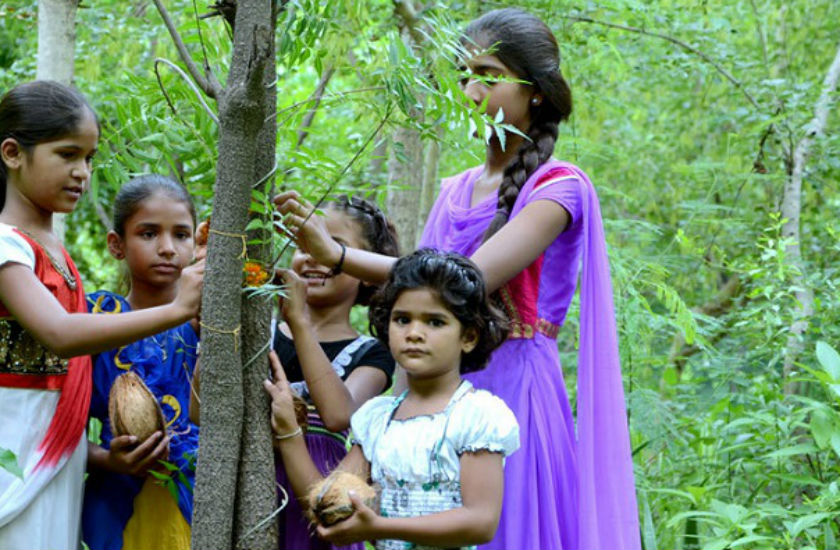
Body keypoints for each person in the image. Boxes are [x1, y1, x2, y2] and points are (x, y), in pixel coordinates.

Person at [273, 8, 640, 549]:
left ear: (535, 91)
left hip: (517, 391)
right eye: (464, 75)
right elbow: (422, 296)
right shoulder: (454, 190)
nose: (470, 90)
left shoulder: (561, 187)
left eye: (489, 76)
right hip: (431, 391)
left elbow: (460, 281)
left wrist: (337, 254)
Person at [0, 81, 203, 550]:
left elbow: (60, 387)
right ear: (14, 153)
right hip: (1, 464)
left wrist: (104, 458)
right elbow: (60, 334)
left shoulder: (55, 252)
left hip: (56, 464)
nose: (83, 172)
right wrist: (180, 309)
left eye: (89, 158)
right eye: (67, 155)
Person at [265, 250, 519, 550]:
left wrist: (381, 526)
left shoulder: (477, 415)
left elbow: (480, 522)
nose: (414, 333)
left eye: (435, 322)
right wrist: (289, 432)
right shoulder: (377, 420)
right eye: (402, 319)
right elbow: (327, 505)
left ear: (469, 337)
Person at [189, 196, 400, 550]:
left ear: (366, 273)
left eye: (334, 247)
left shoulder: (372, 352)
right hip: (244, 487)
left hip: (314, 494)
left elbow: (337, 414)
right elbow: (201, 410)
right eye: (304, 244)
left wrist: (299, 322)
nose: (314, 255)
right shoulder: (261, 331)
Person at [81, 175, 201, 550]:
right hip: (116, 498)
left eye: (181, 235)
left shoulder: (213, 323)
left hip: (199, 497)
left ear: (198, 243)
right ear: (117, 244)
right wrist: (104, 459)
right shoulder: (94, 318)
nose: (167, 248)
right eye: (148, 234)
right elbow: (55, 427)